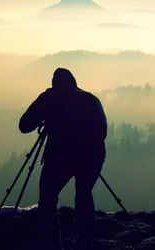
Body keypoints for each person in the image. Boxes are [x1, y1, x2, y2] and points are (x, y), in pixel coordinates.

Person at [19, 68, 107, 250]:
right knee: (84, 194)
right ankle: (85, 243)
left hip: (60, 157)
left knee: (48, 197)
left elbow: (24, 125)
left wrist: (45, 110)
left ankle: (52, 244)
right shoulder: (90, 99)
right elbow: (102, 132)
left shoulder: (49, 98)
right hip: (92, 155)